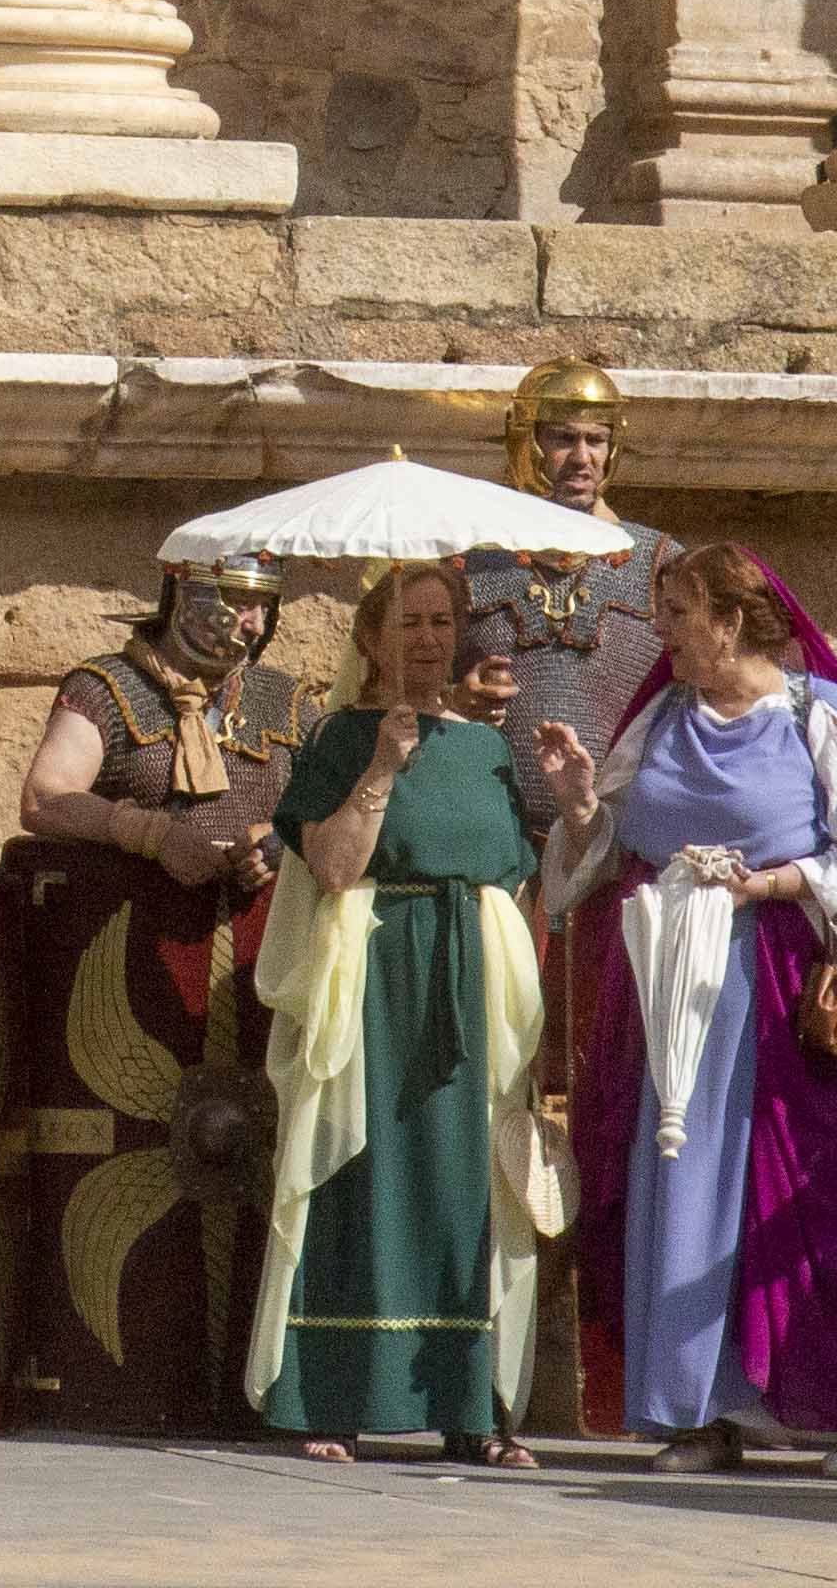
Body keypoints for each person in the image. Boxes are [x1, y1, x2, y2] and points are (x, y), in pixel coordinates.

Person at [543, 538, 837, 1478]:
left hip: (782, 991)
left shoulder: (816, 715)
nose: (661, 631)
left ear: (733, 618)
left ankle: (836, 1415)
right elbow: (594, 860)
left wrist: (779, 882)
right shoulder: (659, 720)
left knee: (799, 1197)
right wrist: (583, 804)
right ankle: (700, 1413)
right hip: (670, 990)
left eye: (677, 612)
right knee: (679, 1190)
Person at [0, 543, 316, 1431]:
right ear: (177, 586)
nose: (239, 620)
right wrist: (145, 836)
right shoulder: (104, 684)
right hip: (129, 982)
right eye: (222, 596)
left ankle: (245, 1391)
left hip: (250, 991)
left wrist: (275, 847)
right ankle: (131, 1384)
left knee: (249, 1154)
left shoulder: (290, 702)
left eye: (257, 604)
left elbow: (324, 816)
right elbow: (46, 797)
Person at [248, 558, 550, 1466]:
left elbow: (522, 876)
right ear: (371, 639)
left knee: (474, 1187)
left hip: (475, 981)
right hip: (376, 978)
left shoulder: (490, 747)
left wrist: (573, 803)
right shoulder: (340, 738)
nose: (428, 637)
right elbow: (335, 868)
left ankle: (475, 1409)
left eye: (441, 621)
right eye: (409, 622)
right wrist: (384, 760)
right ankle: (331, 1397)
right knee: (360, 1177)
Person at [465, 360, 685, 814]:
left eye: (597, 439)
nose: (583, 457)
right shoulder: (467, 561)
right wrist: (455, 696)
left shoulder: (658, 561)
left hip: (617, 831)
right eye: (564, 439)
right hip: (496, 830)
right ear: (527, 442)